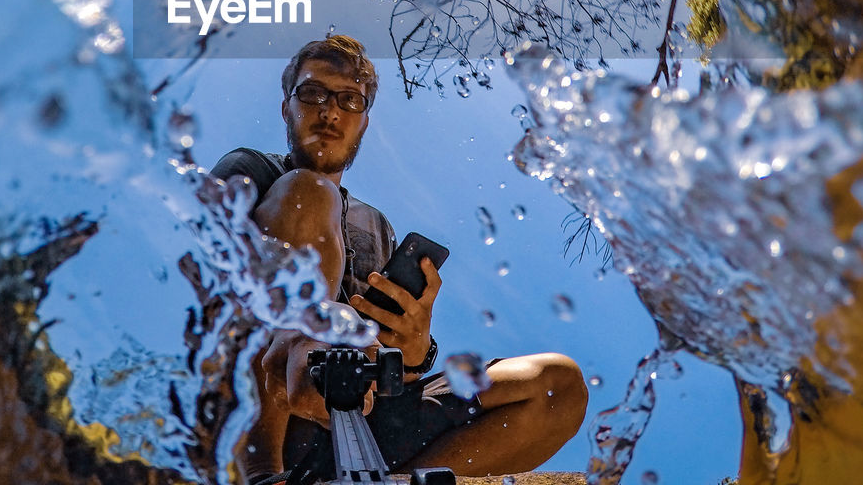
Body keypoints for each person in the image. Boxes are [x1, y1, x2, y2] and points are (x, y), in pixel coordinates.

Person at [211, 35, 588, 483]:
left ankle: (398, 481)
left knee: (557, 383)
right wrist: (303, 330)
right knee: (308, 192)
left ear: (364, 121)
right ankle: (260, 474)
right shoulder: (252, 169)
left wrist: (415, 350)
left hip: (365, 417)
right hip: (266, 401)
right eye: (312, 93)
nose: (330, 111)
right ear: (286, 108)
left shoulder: (377, 225)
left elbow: (399, 362)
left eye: (349, 100)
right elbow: (208, 260)